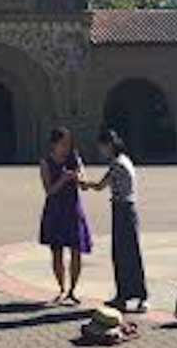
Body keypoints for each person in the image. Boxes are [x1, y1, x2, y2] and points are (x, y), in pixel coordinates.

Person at [81, 128, 149, 314]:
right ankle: (128, 295)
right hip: (126, 209)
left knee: (124, 254)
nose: (100, 151)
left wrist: (82, 182)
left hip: (123, 210)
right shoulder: (124, 160)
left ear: (109, 145)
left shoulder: (117, 164)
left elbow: (100, 186)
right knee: (128, 253)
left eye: (102, 147)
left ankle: (132, 296)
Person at [38, 127, 92, 305]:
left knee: (77, 250)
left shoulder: (74, 159)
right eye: (63, 144)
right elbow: (49, 190)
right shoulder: (46, 162)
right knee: (57, 252)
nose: (66, 148)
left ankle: (73, 290)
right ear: (54, 144)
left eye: (68, 144)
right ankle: (61, 289)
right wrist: (63, 179)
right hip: (55, 210)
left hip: (73, 210)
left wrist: (79, 178)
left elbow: (84, 183)